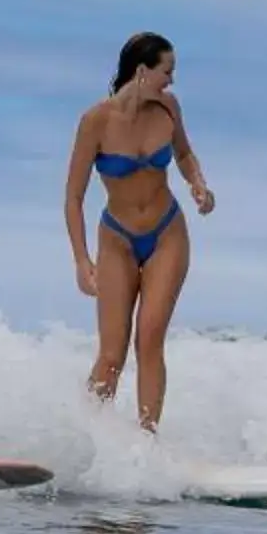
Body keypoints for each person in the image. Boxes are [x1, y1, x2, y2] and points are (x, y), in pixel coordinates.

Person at [63, 32, 215, 427]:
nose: (172, 81)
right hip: (117, 238)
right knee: (112, 355)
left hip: (167, 232)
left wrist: (197, 183)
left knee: (149, 341)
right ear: (142, 71)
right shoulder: (95, 121)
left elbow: (183, 153)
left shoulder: (168, 107)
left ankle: (147, 442)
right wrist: (82, 260)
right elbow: (74, 197)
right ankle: (85, 436)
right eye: (168, 71)